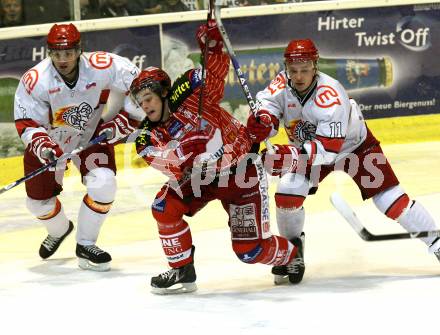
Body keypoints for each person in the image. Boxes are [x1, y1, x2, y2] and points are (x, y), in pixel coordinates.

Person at [247, 38, 440, 284]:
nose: (298, 76)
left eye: (305, 70)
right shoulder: (281, 83)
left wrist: (286, 157)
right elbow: (269, 106)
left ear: (315, 66)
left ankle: (436, 241)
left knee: (391, 200)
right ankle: (292, 251)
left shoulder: (331, 94)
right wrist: (264, 121)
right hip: (309, 149)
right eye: (293, 70)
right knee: (287, 193)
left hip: (354, 147)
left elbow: (328, 150)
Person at [130, 20, 300, 294]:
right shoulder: (145, 138)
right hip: (201, 179)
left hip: (240, 173)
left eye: (148, 97)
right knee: (164, 207)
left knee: (250, 251)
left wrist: (211, 46)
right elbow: (175, 171)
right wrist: (189, 158)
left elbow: (215, 74)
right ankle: (182, 270)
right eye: (140, 101)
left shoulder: (188, 93)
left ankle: (292, 254)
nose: (145, 105)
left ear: (163, 92)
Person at [13, 23, 141, 271]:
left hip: (89, 137)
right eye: (57, 53)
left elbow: (140, 83)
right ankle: (59, 229)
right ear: (49, 52)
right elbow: (28, 123)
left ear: (79, 50)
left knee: (104, 184)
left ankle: (85, 244)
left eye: (69, 53)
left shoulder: (101, 66)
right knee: (38, 204)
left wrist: (126, 119)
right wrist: (43, 146)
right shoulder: (36, 80)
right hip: (51, 143)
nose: (63, 59)